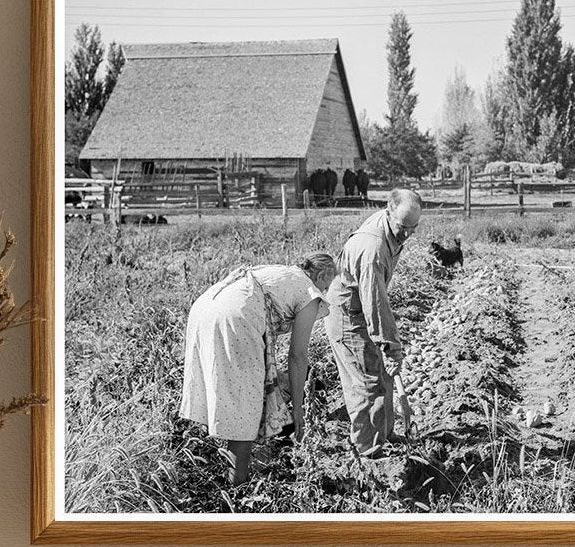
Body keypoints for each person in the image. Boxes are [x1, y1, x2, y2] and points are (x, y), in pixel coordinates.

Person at [179, 253, 338, 485]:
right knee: (246, 405)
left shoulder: (283, 272)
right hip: (236, 320)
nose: (325, 291)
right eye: (327, 284)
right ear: (323, 275)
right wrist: (298, 409)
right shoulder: (309, 291)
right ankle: (238, 488)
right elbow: (297, 355)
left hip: (206, 307)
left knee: (237, 395)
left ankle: (239, 470)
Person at [325, 189, 422, 455]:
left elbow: (374, 301)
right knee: (367, 384)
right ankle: (367, 450)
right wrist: (391, 346)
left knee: (382, 377)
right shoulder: (373, 249)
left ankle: (385, 435)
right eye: (403, 227)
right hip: (348, 317)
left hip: (361, 308)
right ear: (388, 210)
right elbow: (374, 303)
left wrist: (387, 348)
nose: (407, 234)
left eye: (413, 228)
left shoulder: (391, 228)